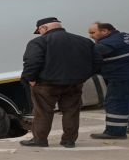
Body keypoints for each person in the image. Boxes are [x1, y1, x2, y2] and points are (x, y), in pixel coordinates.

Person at [20, 17, 99, 148]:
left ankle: (39, 140)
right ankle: (69, 141)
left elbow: (32, 62)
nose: (40, 33)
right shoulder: (84, 41)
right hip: (74, 84)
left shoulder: (38, 42)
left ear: (44, 28)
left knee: (43, 112)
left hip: (45, 85)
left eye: (40, 31)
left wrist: (30, 79)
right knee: (71, 111)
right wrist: (82, 77)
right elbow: (97, 62)